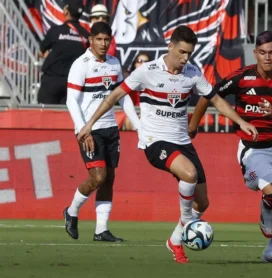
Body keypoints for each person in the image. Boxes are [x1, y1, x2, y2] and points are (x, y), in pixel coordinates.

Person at [76, 25, 258, 263]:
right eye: (182, 52)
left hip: (182, 142)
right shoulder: (147, 71)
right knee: (189, 174)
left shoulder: (192, 72)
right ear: (170, 47)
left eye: (189, 54)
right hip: (155, 141)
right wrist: (89, 124)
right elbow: (113, 97)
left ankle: (174, 240)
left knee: (202, 202)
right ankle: (187, 227)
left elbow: (216, 100)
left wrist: (240, 122)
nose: (185, 58)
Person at [189, 30, 272, 264]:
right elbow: (208, 95)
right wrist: (193, 125)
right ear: (255, 54)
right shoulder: (241, 78)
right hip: (253, 148)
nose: (267, 57)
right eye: (262, 53)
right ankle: (266, 206)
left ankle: (270, 251)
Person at [64, 22, 141, 242]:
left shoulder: (114, 63)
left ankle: (101, 230)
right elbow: (72, 100)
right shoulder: (81, 64)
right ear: (90, 40)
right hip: (90, 129)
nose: (103, 43)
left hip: (110, 128)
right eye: (99, 39)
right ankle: (71, 211)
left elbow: (123, 96)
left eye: (107, 39)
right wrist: (83, 130)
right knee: (98, 177)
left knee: (109, 179)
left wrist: (137, 125)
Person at [38, 0, 89, 104]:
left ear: (66, 11)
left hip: (51, 82)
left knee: (46, 116)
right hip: (73, 84)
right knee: (66, 117)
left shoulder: (55, 31)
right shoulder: (86, 36)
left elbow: (40, 53)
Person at [122, 53, 151, 131]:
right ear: (134, 63)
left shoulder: (155, 82)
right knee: (129, 121)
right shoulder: (127, 79)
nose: (142, 64)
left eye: (146, 62)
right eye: (139, 61)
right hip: (128, 115)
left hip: (148, 115)